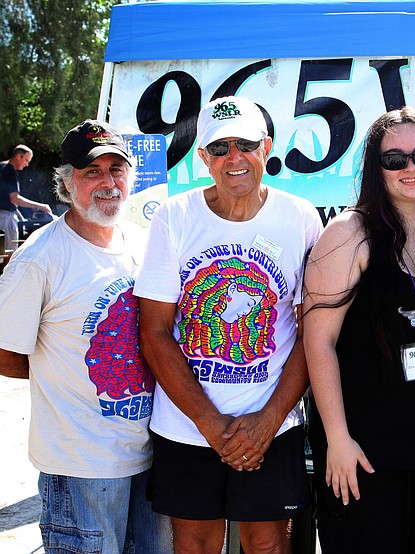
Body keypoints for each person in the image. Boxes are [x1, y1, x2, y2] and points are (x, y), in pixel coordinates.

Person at [135, 96, 321, 553]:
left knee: (267, 545)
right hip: (187, 424)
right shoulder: (174, 218)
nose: (233, 157)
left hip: (272, 423)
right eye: (219, 148)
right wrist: (209, 423)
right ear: (202, 159)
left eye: (246, 144)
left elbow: (312, 331)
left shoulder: (299, 218)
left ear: (267, 147)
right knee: (195, 544)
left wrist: (269, 421)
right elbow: (154, 331)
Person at [0, 120, 171, 553]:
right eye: (92, 172)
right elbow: (5, 352)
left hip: (150, 454)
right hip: (80, 465)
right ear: (66, 183)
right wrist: (64, 377)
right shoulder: (39, 258)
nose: (108, 183)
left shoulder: (143, 243)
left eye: (117, 169)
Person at [303, 108, 415, 553]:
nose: (410, 168)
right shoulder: (349, 234)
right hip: (364, 453)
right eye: (394, 159)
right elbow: (319, 341)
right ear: (376, 169)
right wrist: (336, 438)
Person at [0, 144, 52, 251]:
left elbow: (5, 198)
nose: (27, 164)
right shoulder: (10, 170)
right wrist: (40, 206)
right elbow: (14, 198)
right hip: (5, 219)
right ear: (18, 156)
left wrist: (19, 216)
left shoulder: (1, 167)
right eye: (26, 160)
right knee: (9, 253)